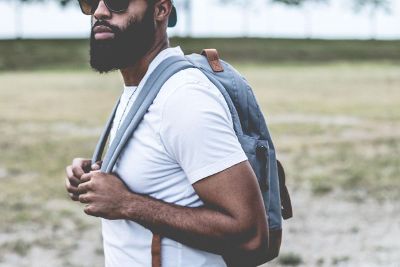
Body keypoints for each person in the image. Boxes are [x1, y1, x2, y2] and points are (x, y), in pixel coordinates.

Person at [65, 0, 268, 266]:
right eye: (91, 2)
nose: (100, 11)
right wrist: (97, 176)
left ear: (161, 10)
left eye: (117, 2)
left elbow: (250, 235)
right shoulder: (144, 87)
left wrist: (128, 204)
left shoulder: (182, 98)